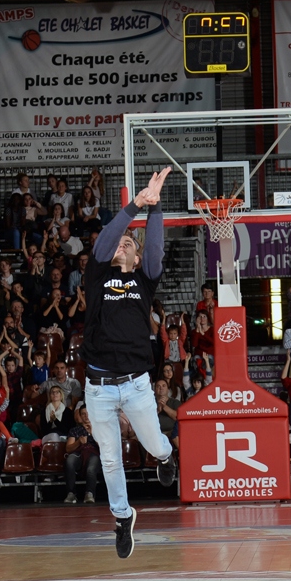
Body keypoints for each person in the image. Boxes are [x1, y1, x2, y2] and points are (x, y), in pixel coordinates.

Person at [80, 167, 178, 558]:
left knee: (154, 444)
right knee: (109, 456)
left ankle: (168, 456)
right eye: (120, 241)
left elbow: (154, 249)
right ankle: (122, 518)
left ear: (136, 257)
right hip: (99, 385)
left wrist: (154, 211)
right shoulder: (97, 276)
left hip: (137, 384)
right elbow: (103, 244)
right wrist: (135, 204)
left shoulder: (143, 280)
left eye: (127, 243)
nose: (121, 244)